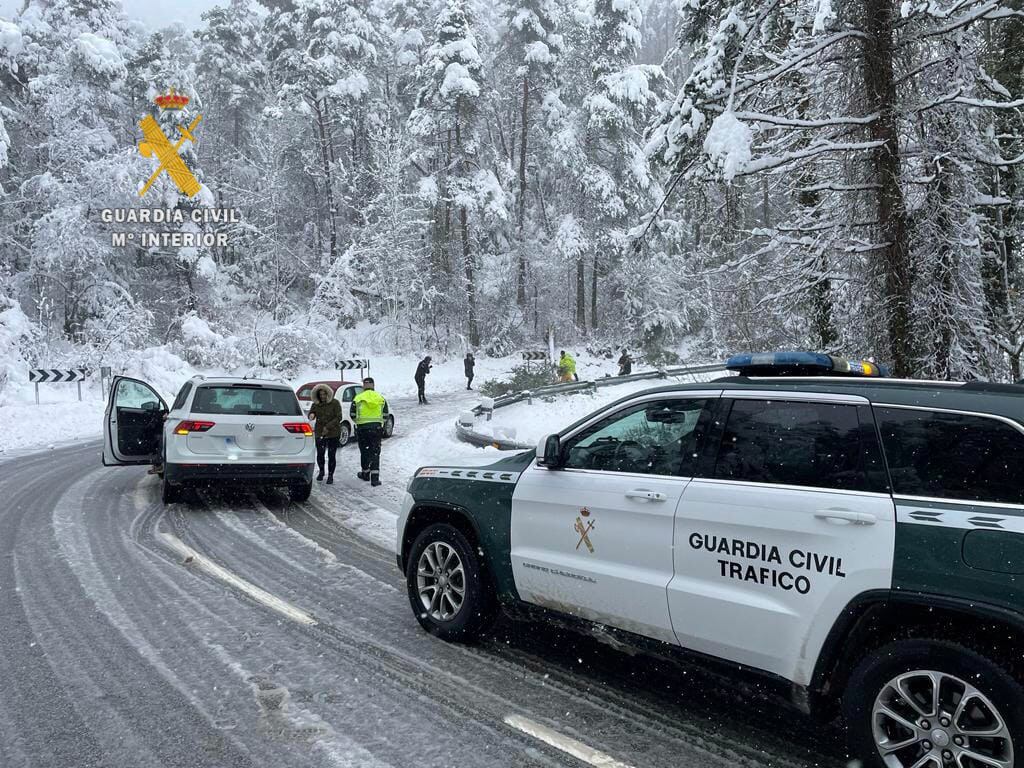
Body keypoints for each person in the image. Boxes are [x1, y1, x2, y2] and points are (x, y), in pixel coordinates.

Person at [351, 377, 389, 487]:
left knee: (364, 451)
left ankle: (365, 473)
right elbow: (385, 415)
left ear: (364, 386)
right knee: (375, 452)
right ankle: (375, 479)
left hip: (362, 429)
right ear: (373, 385)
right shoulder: (380, 398)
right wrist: (378, 423)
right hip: (376, 430)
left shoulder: (358, 398)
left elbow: (352, 414)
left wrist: (359, 422)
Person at [308, 383, 342, 484]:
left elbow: (338, 417)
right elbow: (311, 413)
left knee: (331, 455)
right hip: (320, 432)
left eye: (324, 394)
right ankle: (321, 471)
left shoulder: (335, 403)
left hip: (333, 432)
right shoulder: (316, 404)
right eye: (320, 394)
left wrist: (328, 427)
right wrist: (312, 415)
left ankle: (330, 475)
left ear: (328, 394)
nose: (322, 396)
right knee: (320, 454)